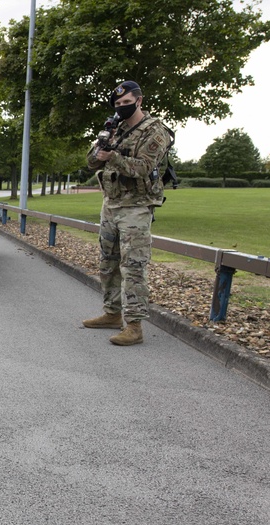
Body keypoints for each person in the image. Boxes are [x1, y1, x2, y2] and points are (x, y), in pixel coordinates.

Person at [84, 80, 173, 346]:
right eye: (118, 104)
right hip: (111, 203)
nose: (122, 107)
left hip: (136, 206)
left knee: (133, 266)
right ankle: (112, 313)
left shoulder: (155, 131)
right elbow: (90, 161)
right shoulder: (115, 129)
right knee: (108, 262)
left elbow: (144, 167)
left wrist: (111, 156)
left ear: (139, 101)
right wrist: (101, 149)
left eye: (126, 102)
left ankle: (134, 325)